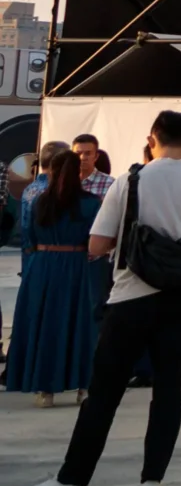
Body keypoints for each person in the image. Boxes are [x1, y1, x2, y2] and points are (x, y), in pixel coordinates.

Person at [17, 111, 181, 486]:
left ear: (152, 138)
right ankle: (152, 481)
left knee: (104, 392)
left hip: (131, 296)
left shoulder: (131, 180)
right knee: (169, 390)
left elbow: (98, 244)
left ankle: (72, 481)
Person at [6, 147, 102, 407]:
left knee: (44, 323)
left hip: (42, 265)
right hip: (76, 265)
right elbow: (96, 242)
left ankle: (45, 390)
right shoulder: (91, 202)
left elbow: (27, 237)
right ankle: (84, 387)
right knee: (79, 324)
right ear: (78, 171)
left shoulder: (38, 200)